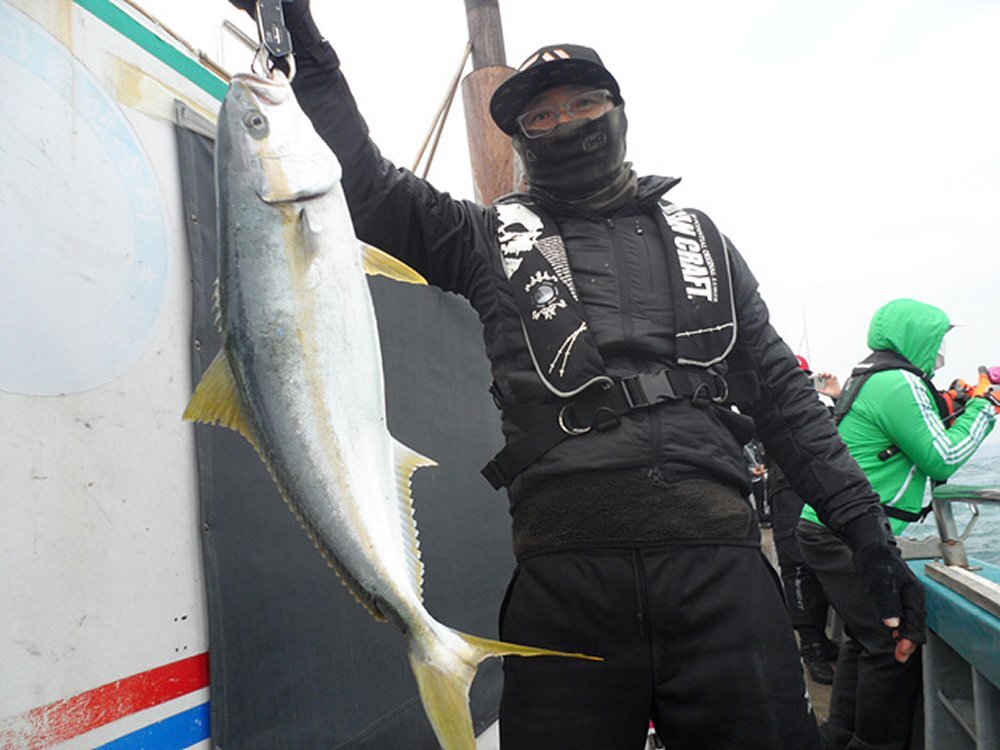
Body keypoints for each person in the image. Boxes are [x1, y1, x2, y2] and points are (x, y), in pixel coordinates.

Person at [227, 4, 926, 748]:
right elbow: (367, 189)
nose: (563, 122)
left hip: (720, 572)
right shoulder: (481, 238)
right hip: (564, 586)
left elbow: (790, 406)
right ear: (521, 138)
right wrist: (303, 43)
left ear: (618, 111)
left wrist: (869, 538)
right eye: (540, 115)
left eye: (583, 103)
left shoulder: (707, 244)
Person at [797, 298, 997, 750]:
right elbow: (942, 456)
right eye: (938, 340)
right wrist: (986, 406)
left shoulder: (876, 375)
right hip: (847, 534)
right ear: (917, 338)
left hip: (835, 530)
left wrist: (960, 403)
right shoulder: (899, 382)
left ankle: (839, 736)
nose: (940, 352)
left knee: (864, 639)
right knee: (892, 646)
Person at [767, 355, 842, 685]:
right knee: (796, 565)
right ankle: (811, 647)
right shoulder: (768, 406)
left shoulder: (819, 410)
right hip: (787, 488)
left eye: (807, 378)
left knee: (822, 559)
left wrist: (837, 398)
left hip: (819, 485)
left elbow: (841, 435)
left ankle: (821, 641)